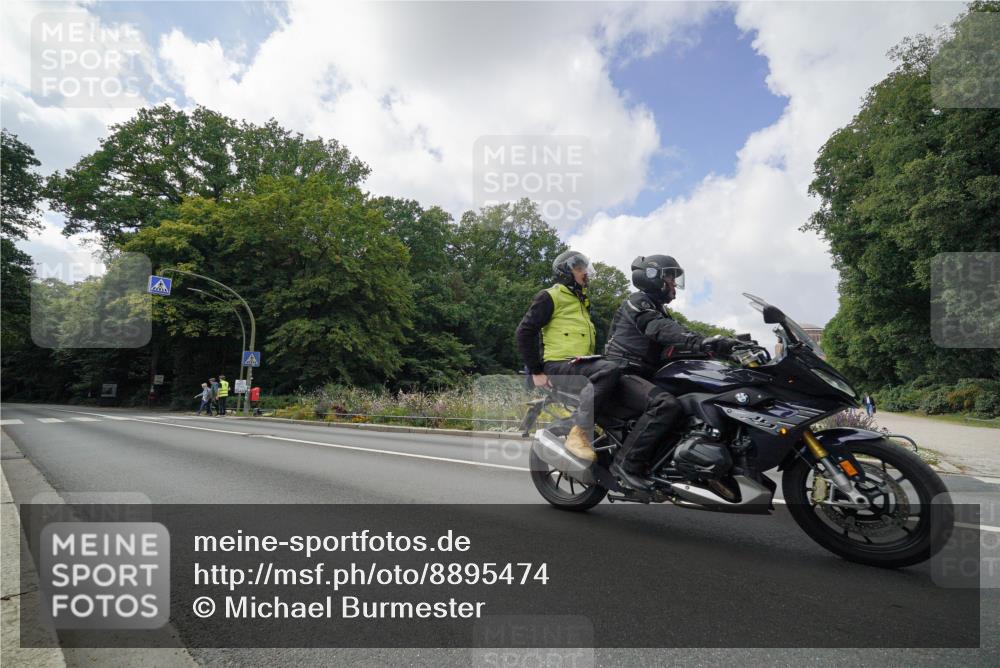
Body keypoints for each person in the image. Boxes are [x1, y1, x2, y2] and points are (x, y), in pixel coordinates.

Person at [604, 254, 741, 490]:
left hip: (647, 375)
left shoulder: (660, 311)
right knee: (665, 405)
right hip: (623, 372)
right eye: (670, 277)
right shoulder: (638, 302)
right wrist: (701, 341)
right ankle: (625, 465)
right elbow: (659, 330)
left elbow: (678, 339)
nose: (674, 283)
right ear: (652, 278)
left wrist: (726, 349)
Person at [516, 250, 621, 462]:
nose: (585, 273)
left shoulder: (581, 303)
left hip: (579, 365)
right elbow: (524, 332)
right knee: (609, 370)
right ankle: (578, 433)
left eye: (585, 268)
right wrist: (536, 371)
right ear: (565, 272)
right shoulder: (550, 296)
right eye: (579, 268)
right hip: (558, 366)